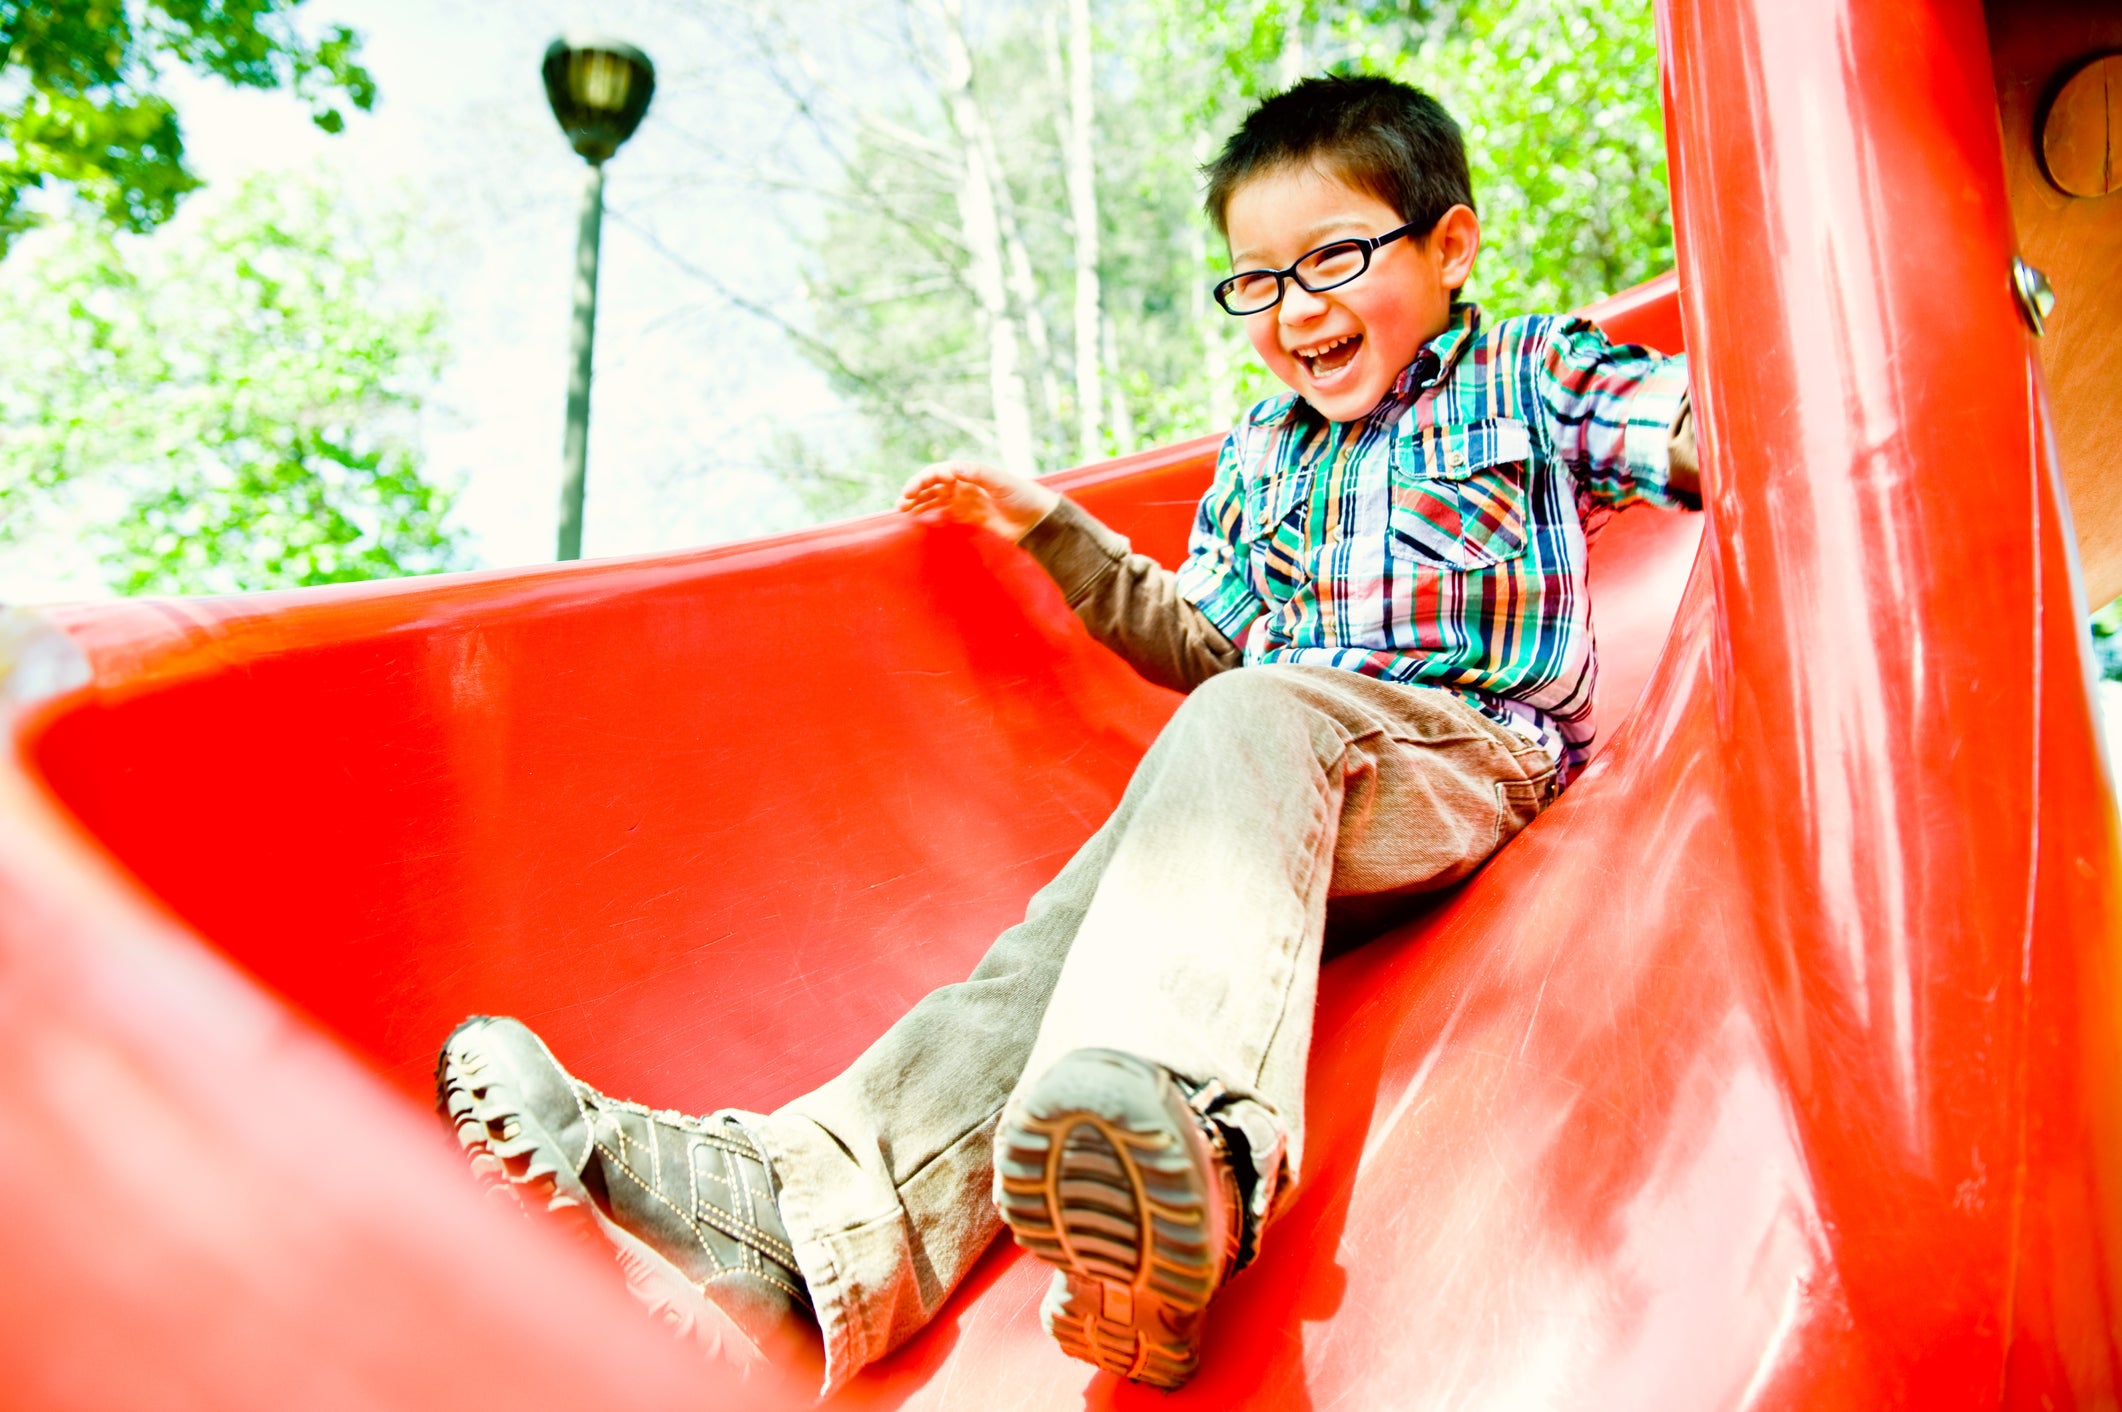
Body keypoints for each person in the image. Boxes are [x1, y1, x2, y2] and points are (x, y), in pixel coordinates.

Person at [435, 73, 1700, 1395]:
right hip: (1270, 790)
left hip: (1461, 759)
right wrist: (1054, 529)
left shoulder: (1524, 372)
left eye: (1333, 257)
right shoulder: (1263, 452)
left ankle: (1190, 1156)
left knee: (1251, 719)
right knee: (1071, 921)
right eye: (1256, 282)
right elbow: (1204, 641)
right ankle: (803, 1230)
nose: (1298, 309)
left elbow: (1683, 426)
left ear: (1449, 245)